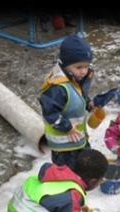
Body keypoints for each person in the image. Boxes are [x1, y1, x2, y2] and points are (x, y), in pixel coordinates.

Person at [39, 34, 95, 170]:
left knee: (84, 161)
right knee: (66, 171)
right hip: (63, 144)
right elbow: (50, 113)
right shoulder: (57, 88)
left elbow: (76, 95)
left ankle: (82, 179)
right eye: (79, 67)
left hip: (77, 138)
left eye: (86, 66)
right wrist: (67, 128)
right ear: (66, 65)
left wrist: (87, 103)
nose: (83, 71)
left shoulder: (73, 77)